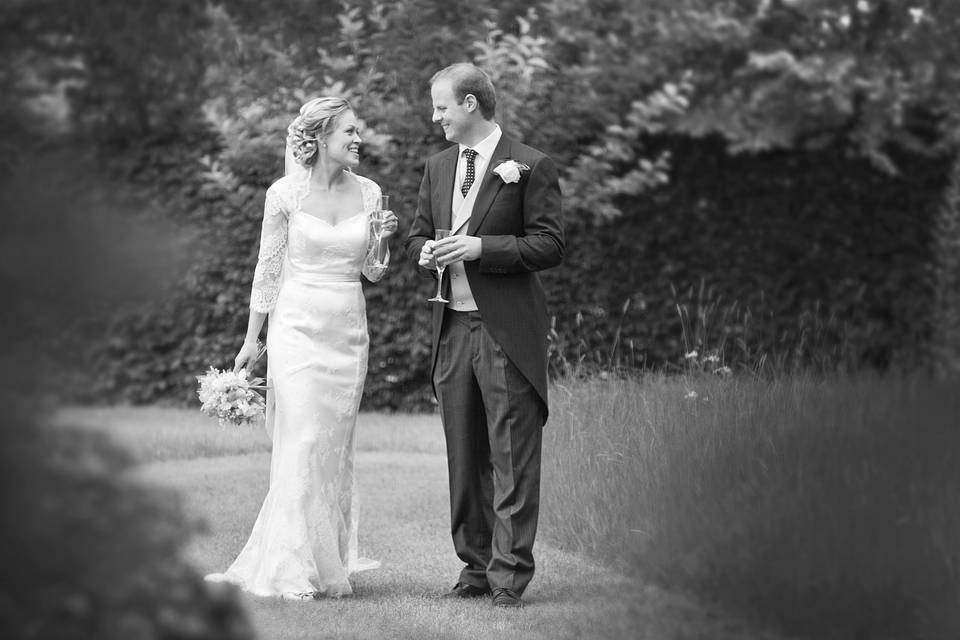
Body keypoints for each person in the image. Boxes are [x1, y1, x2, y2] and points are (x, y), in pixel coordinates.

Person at [205, 97, 398, 599]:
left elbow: (373, 271)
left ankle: (321, 559)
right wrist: (253, 339)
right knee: (304, 439)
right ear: (319, 138)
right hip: (295, 329)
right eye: (350, 132)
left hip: (348, 331)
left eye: (358, 132)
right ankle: (286, 567)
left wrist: (383, 241)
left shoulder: (371, 191)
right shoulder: (284, 194)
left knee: (331, 449)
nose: (359, 140)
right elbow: (268, 269)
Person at [404, 63, 565, 608]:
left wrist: (482, 250)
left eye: (442, 106)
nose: (436, 117)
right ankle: (474, 568)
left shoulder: (531, 164)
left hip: (505, 333)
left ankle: (509, 577)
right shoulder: (437, 166)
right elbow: (418, 236)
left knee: (512, 454)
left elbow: (550, 245)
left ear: (471, 104)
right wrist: (424, 252)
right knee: (464, 453)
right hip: (451, 328)